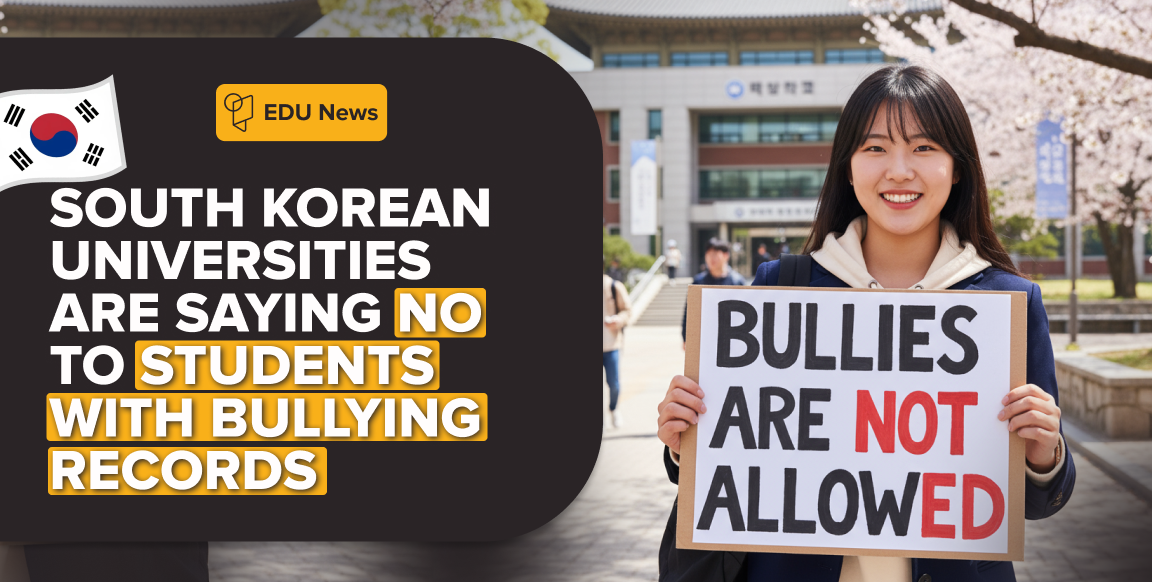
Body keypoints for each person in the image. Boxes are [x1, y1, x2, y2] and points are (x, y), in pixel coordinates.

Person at [657, 65, 1075, 582]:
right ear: (848, 168)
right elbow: (734, 477)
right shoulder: (780, 288)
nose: (899, 171)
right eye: (875, 148)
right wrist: (687, 441)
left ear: (958, 167)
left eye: (924, 148)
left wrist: (1044, 452)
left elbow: (1038, 500)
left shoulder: (1007, 303)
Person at [681, 237, 746, 343]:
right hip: (705, 337)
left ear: (726, 255)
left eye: (715, 254)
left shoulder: (737, 281)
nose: (711, 258)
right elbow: (689, 311)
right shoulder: (699, 281)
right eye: (708, 254)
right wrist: (685, 336)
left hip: (732, 337)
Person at [603, 272, 631, 429]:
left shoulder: (614, 286)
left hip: (611, 345)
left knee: (614, 384)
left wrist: (617, 320)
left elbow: (627, 310)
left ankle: (614, 409)